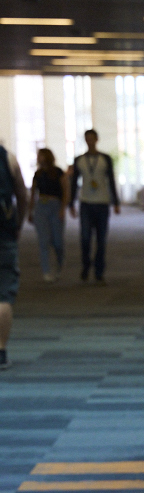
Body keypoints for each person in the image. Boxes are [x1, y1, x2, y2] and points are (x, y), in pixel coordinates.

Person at [69, 128, 120, 283]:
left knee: (101, 239)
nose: (90, 141)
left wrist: (116, 202)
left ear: (97, 140)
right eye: (87, 139)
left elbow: (111, 180)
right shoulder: (79, 160)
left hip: (102, 203)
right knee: (85, 238)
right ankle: (86, 264)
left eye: (92, 138)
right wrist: (71, 203)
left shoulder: (105, 159)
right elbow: (74, 182)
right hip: (85, 203)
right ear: (85, 140)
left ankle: (99, 271)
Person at [0, 143, 27, 369]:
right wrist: (18, 224)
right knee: (4, 294)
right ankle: (0, 350)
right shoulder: (8, 158)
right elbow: (21, 195)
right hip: (4, 234)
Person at [28, 147, 67, 281]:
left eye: (41, 155)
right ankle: (46, 271)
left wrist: (63, 208)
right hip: (41, 207)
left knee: (57, 241)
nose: (39, 158)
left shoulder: (58, 172)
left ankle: (60, 264)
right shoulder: (37, 174)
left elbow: (65, 191)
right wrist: (30, 211)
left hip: (55, 205)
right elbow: (33, 194)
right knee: (43, 240)